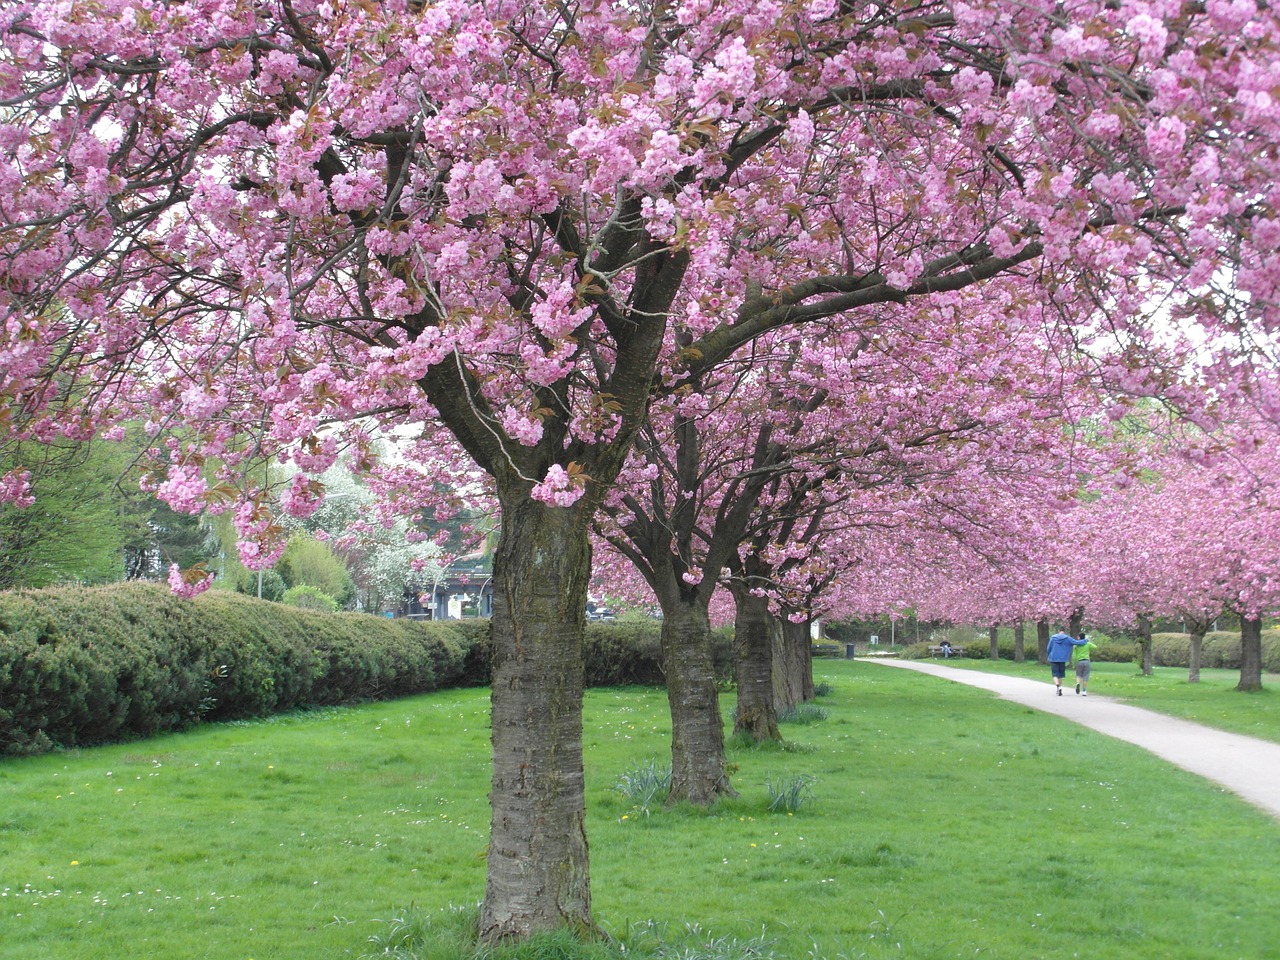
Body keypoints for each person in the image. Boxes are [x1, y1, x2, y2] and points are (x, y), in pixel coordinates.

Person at [1046, 630, 1088, 696]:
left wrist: (1049, 655)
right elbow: (1076, 642)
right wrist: (1085, 640)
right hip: (1063, 659)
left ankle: (1057, 686)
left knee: (1055, 674)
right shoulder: (1067, 638)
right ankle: (1060, 687)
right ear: (1064, 632)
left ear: (1058, 631)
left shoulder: (1053, 638)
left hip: (1053, 658)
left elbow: (1048, 648)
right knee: (1060, 675)